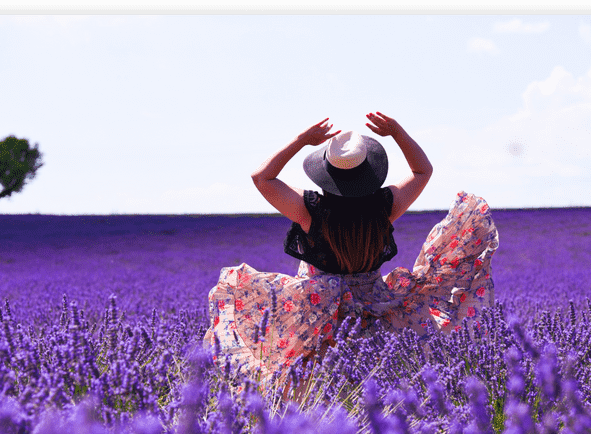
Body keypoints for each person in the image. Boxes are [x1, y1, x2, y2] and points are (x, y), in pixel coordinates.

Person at [203, 112, 499, 388]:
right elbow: (422, 171)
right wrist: (396, 132)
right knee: (374, 383)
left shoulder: (311, 212)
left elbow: (261, 178)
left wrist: (301, 140)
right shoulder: (383, 209)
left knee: (314, 388)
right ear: (369, 172)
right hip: (374, 308)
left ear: (325, 173)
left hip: (318, 313)